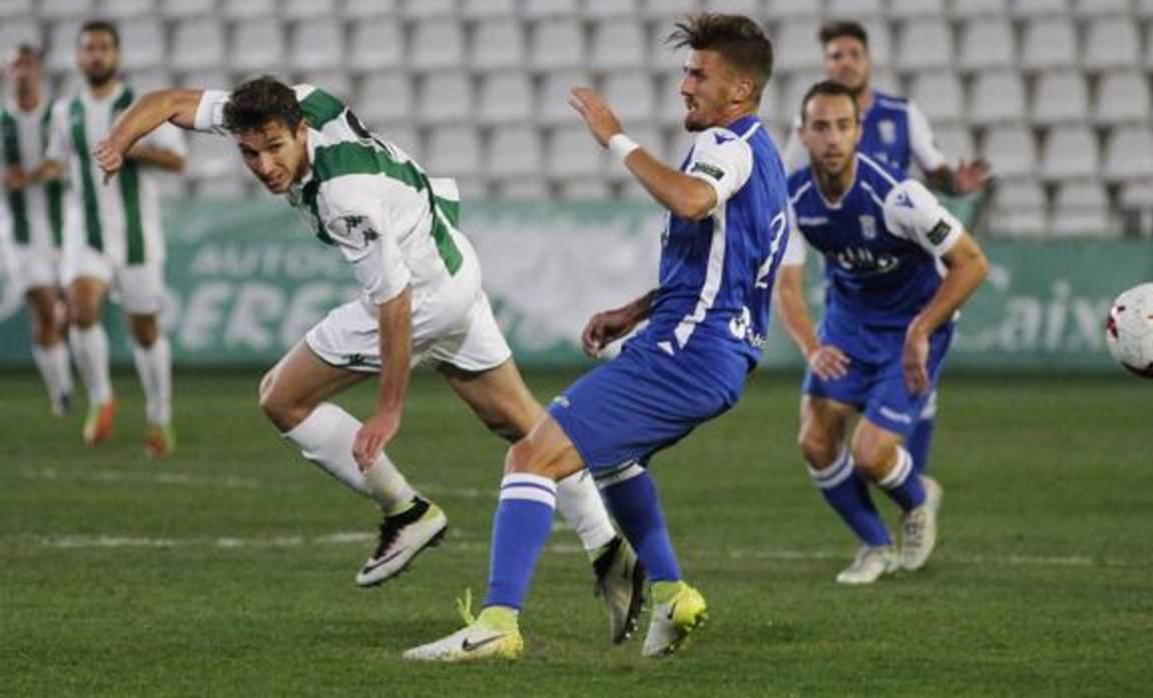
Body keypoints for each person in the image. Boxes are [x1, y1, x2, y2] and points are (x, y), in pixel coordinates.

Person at [93, 75, 645, 642]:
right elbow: (170, 103)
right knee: (526, 429)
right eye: (249, 153)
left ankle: (406, 511)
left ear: (300, 131)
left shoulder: (344, 200)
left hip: (421, 293)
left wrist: (388, 409)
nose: (264, 166)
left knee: (282, 397)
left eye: (274, 148)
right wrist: (118, 141)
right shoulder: (296, 103)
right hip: (450, 261)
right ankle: (608, 549)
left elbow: (394, 303)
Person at [404, 13, 787, 662]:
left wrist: (615, 138)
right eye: (686, 72)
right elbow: (727, 263)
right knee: (612, 462)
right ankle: (672, 594)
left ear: (741, 90)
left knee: (532, 455)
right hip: (709, 352)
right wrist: (636, 309)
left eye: (700, 74)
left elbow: (691, 201)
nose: (685, 85)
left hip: (688, 354)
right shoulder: (767, 156)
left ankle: (498, 623)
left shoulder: (727, 146)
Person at [775, 81, 988, 585]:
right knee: (815, 441)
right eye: (821, 127)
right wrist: (812, 347)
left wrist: (921, 330)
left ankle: (917, 500)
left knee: (871, 455)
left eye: (843, 126)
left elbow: (972, 264)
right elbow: (787, 288)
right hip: (848, 326)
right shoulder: (791, 199)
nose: (832, 138)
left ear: (859, 132)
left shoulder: (900, 196)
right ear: (803, 136)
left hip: (914, 326)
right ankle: (875, 546)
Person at [782, 20, 993, 478]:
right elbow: (787, 190)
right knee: (829, 419)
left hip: (904, 258)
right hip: (850, 274)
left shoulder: (902, 115)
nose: (845, 63)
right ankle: (893, 478)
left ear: (868, 60)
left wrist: (955, 183)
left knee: (909, 390)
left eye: (853, 54)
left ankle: (911, 478)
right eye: (835, 56)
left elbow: (935, 171)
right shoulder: (808, 124)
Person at [38, 21, 185, 455]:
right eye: (88, 48)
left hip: (137, 234)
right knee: (81, 308)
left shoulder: (141, 106)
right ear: (78, 57)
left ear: (117, 55)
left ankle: (159, 415)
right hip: (84, 231)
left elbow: (177, 160)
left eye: (103, 47)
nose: (96, 55)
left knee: (145, 331)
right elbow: (57, 163)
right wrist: (30, 174)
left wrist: (131, 147)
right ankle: (102, 397)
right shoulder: (65, 111)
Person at [1, 44, 73, 416]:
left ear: (39, 71)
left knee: (69, 313)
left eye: (27, 64)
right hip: (20, 234)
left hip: (65, 230)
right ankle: (62, 393)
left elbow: (72, 162)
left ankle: (65, 376)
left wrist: (34, 175)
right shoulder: (2, 121)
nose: (22, 72)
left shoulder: (58, 117)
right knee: (45, 308)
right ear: (7, 73)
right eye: (16, 65)